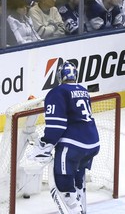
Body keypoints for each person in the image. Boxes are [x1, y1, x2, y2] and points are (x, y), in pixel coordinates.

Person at [28, 61, 100, 213]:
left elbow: (57, 126)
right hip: (93, 143)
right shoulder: (83, 90)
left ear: (60, 76)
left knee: (64, 185)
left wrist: (45, 145)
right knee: (78, 181)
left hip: (73, 145)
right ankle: (82, 208)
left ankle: (75, 210)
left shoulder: (57, 92)